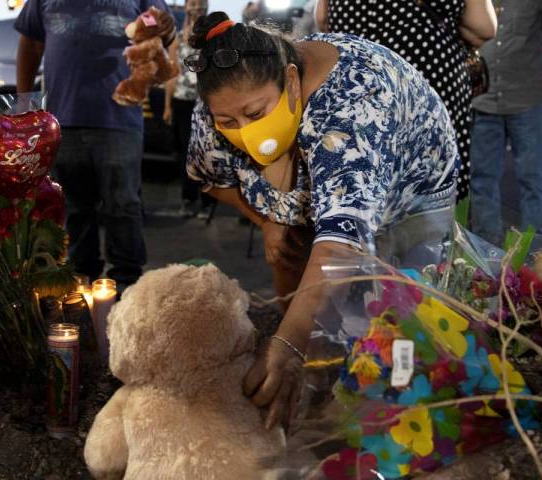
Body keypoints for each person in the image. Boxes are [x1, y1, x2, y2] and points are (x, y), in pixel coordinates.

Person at [185, 12, 459, 428]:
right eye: (229, 123)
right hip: (329, 188)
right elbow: (209, 177)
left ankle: (401, 423)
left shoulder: (352, 104)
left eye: (256, 113)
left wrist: (291, 344)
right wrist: (266, 220)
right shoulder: (220, 98)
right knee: (323, 316)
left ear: (292, 80)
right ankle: (324, 395)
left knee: (404, 324)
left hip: (412, 196)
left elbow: (341, 244)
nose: (244, 131)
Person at [15, 0, 175, 290]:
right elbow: (30, 44)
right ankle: (79, 285)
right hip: (63, 119)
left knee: (123, 207)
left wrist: (166, 27)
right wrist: (25, 103)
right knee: (74, 209)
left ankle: (128, 288)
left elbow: (162, 29)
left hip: (120, 118)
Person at [315, 0, 497, 202]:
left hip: (357, 81)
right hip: (426, 82)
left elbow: (323, 20)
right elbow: (485, 27)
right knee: (428, 192)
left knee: (357, 182)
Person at [470, 0, 542, 245]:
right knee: (481, 177)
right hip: (484, 99)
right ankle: (485, 248)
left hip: (529, 96)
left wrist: (526, 66)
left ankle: (530, 248)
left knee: (531, 178)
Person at [163, 0, 215, 219]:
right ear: (185, 7)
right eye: (192, 3)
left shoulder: (212, 36)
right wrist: (167, 105)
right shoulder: (177, 36)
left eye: (200, 3)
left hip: (206, 102)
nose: (196, 7)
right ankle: (188, 198)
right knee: (185, 152)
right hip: (182, 101)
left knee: (206, 152)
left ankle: (207, 201)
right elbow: (172, 72)